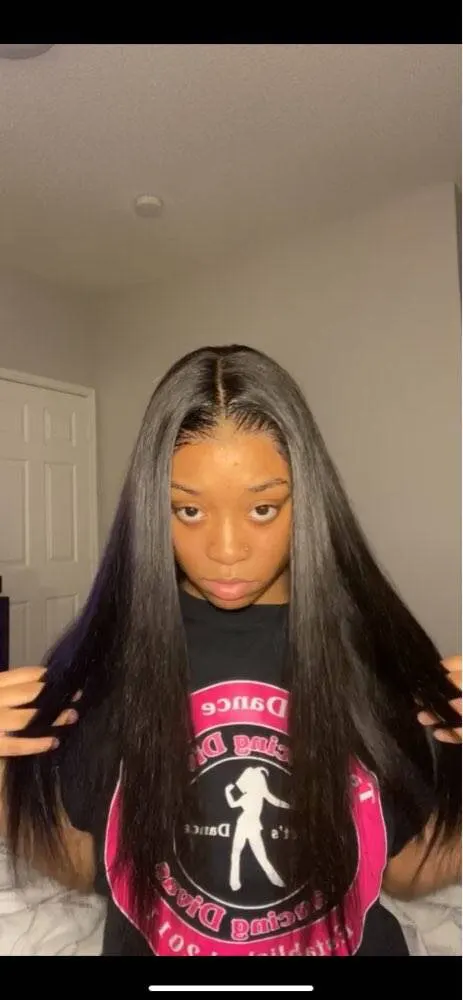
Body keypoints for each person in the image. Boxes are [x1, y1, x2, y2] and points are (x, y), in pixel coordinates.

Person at [0, 344, 461, 959]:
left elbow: (404, 872)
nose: (225, 549)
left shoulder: (372, 652)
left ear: (308, 501)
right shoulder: (109, 659)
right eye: (188, 510)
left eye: (263, 508)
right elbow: (84, 863)